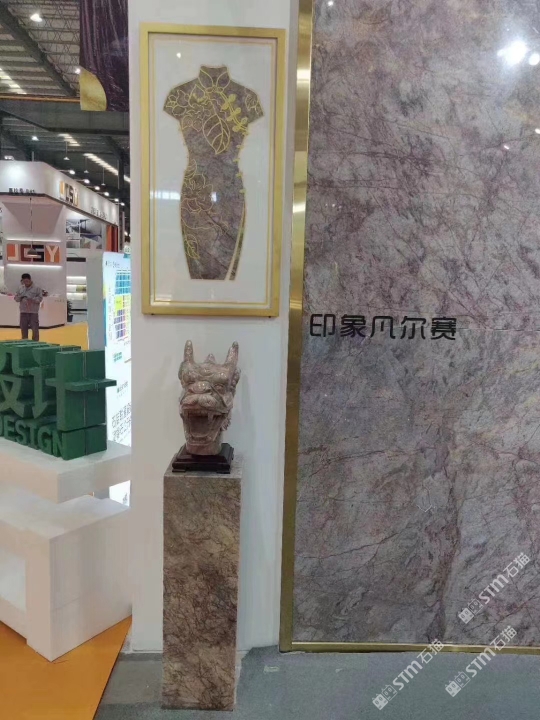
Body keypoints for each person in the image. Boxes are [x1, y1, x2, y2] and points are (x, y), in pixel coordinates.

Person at [14, 273, 47, 341]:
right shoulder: (20, 288)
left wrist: (32, 299)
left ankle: (35, 344)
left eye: (27, 281)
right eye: (24, 281)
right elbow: (16, 298)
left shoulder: (37, 288)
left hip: (33, 312)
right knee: (23, 329)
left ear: (30, 280)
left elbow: (40, 299)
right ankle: (24, 343)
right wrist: (20, 297)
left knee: (35, 330)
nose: (25, 283)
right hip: (23, 312)